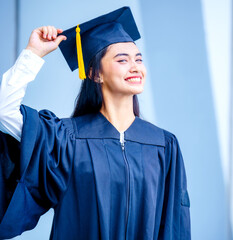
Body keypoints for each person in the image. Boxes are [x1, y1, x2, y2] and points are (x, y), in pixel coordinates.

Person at [0, 7, 190, 240]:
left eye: (138, 59)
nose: (135, 67)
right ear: (94, 73)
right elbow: (3, 110)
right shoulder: (65, 139)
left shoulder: (163, 145)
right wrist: (32, 53)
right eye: (122, 59)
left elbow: (174, 225)